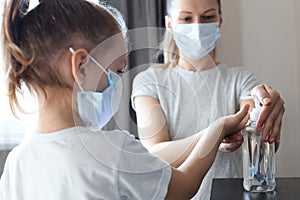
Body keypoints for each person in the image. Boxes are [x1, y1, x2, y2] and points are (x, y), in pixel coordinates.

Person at [0, 0, 252, 199]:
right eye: (116, 71)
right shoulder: (113, 150)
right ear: (81, 65)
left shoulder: (16, 162)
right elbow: (184, 187)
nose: (116, 84)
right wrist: (218, 128)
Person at [131, 0, 285, 199]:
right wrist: (215, 134)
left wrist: (266, 112)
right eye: (186, 18)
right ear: (170, 24)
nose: (197, 26)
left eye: (207, 17)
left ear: (220, 20)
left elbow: (254, 132)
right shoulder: (149, 81)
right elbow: (155, 154)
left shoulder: (241, 79)